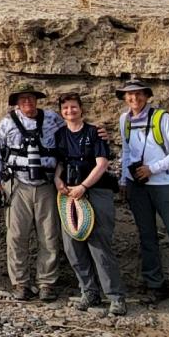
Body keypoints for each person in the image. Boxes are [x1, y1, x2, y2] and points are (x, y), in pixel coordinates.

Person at [117, 78, 169, 306]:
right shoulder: (124, 120)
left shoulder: (161, 118)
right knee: (147, 237)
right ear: (125, 98)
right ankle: (155, 286)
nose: (134, 98)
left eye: (139, 94)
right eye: (129, 94)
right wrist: (124, 180)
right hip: (138, 187)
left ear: (146, 95)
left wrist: (153, 169)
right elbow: (126, 151)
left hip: (164, 184)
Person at [0, 84, 64, 301]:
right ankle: (20, 282)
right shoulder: (7, 123)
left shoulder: (53, 119)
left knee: (49, 235)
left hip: (47, 184)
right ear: (17, 102)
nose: (27, 103)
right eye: (23, 99)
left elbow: (71, 136)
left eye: (30, 98)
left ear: (36, 99)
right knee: (16, 236)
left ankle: (46, 283)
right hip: (17, 185)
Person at [54, 93, 127, 316]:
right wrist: (58, 179)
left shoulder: (94, 133)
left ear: (81, 109)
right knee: (72, 246)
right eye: (65, 108)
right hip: (69, 194)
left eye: (73, 107)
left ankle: (115, 297)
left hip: (95, 191)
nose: (69, 111)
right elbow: (59, 162)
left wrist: (84, 186)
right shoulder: (60, 134)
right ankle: (89, 291)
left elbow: (102, 163)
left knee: (99, 245)